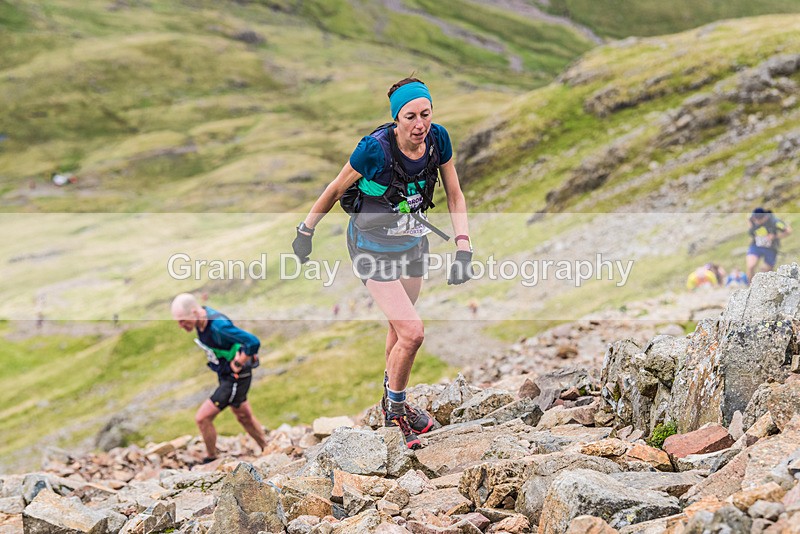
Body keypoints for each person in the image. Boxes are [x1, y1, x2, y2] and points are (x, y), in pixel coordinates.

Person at [292, 77, 473, 449]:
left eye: (425, 114)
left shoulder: (439, 140)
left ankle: (391, 398)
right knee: (413, 332)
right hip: (370, 248)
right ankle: (396, 413)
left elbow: (454, 195)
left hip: (412, 244)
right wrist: (306, 231)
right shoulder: (373, 150)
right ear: (396, 119)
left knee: (399, 325)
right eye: (410, 117)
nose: (419, 124)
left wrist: (463, 247)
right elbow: (335, 188)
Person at [170, 293, 268, 462]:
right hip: (225, 376)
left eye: (182, 320)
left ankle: (211, 458)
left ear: (194, 312)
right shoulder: (202, 321)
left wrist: (240, 361)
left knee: (202, 418)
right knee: (243, 415)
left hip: (235, 377)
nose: (180, 325)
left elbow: (253, 341)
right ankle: (268, 449)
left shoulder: (218, 326)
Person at [746, 207, 792, 282]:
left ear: (764, 217)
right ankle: (750, 287)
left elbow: (788, 230)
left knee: (765, 270)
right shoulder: (752, 219)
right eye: (755, 220)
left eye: (758, 220)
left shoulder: (775, 222)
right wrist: (752, 228)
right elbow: (748, 219)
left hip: (770, 248)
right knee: (751, 265)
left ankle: (762, 286)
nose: (756, 222)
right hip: (756, 246)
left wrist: (774, 236)